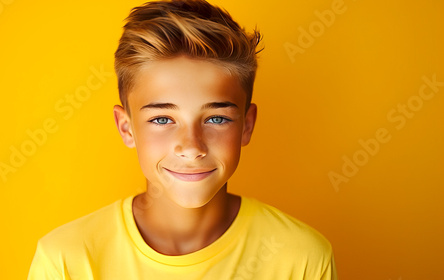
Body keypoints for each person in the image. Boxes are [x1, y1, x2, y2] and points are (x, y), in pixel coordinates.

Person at [27, 0, 338, 279]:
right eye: (162, 119)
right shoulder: (66, 260)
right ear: (126, 128)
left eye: (216, 119)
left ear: (247, 125)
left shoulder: (302, 259)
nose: (191, 147)